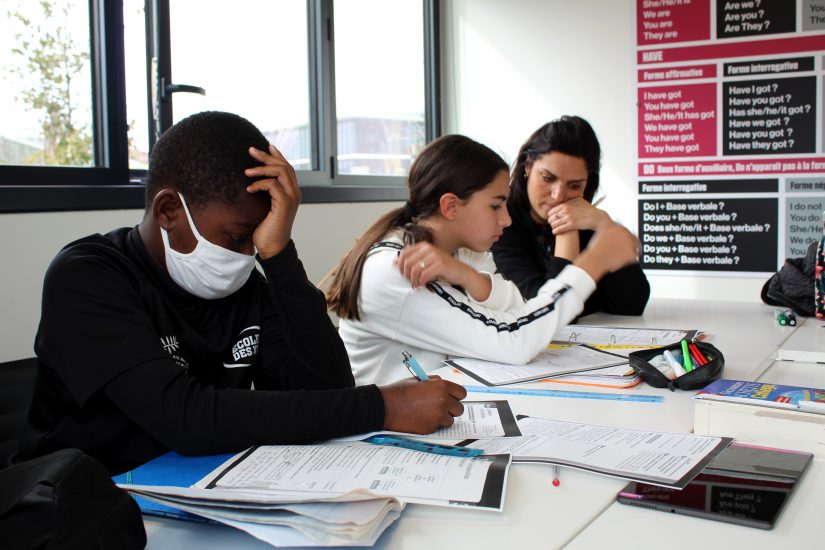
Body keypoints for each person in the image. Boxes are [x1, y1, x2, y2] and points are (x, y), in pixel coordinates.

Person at [17, 111, 466, 475]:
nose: (246, 253)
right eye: (237, 237)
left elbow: (326, 389)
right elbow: (185, 419)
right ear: (169, 210)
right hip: (88, 508)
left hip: (206, 486)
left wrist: (280, 255)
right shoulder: (88, 277)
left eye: (259, 238)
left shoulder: (245, 281)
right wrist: (382, 405)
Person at [326, 134, 640, 385]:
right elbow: (515, 340)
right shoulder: (398, 269)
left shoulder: (459, 253)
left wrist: (469, 277)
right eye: (495, 206)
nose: (505, 219)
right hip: (385, 437)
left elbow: (519, 306)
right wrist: (592, 263)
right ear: (451, 206)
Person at [491, 116, 650, 315]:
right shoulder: (501, 223)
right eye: (548, 178)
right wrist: (567, 229)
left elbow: (632, 304)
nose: (558, 195)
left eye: (574, 185)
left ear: (587, 183)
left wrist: (604, 224)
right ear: (528, 167)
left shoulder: (589, 219)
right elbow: (548, 313)